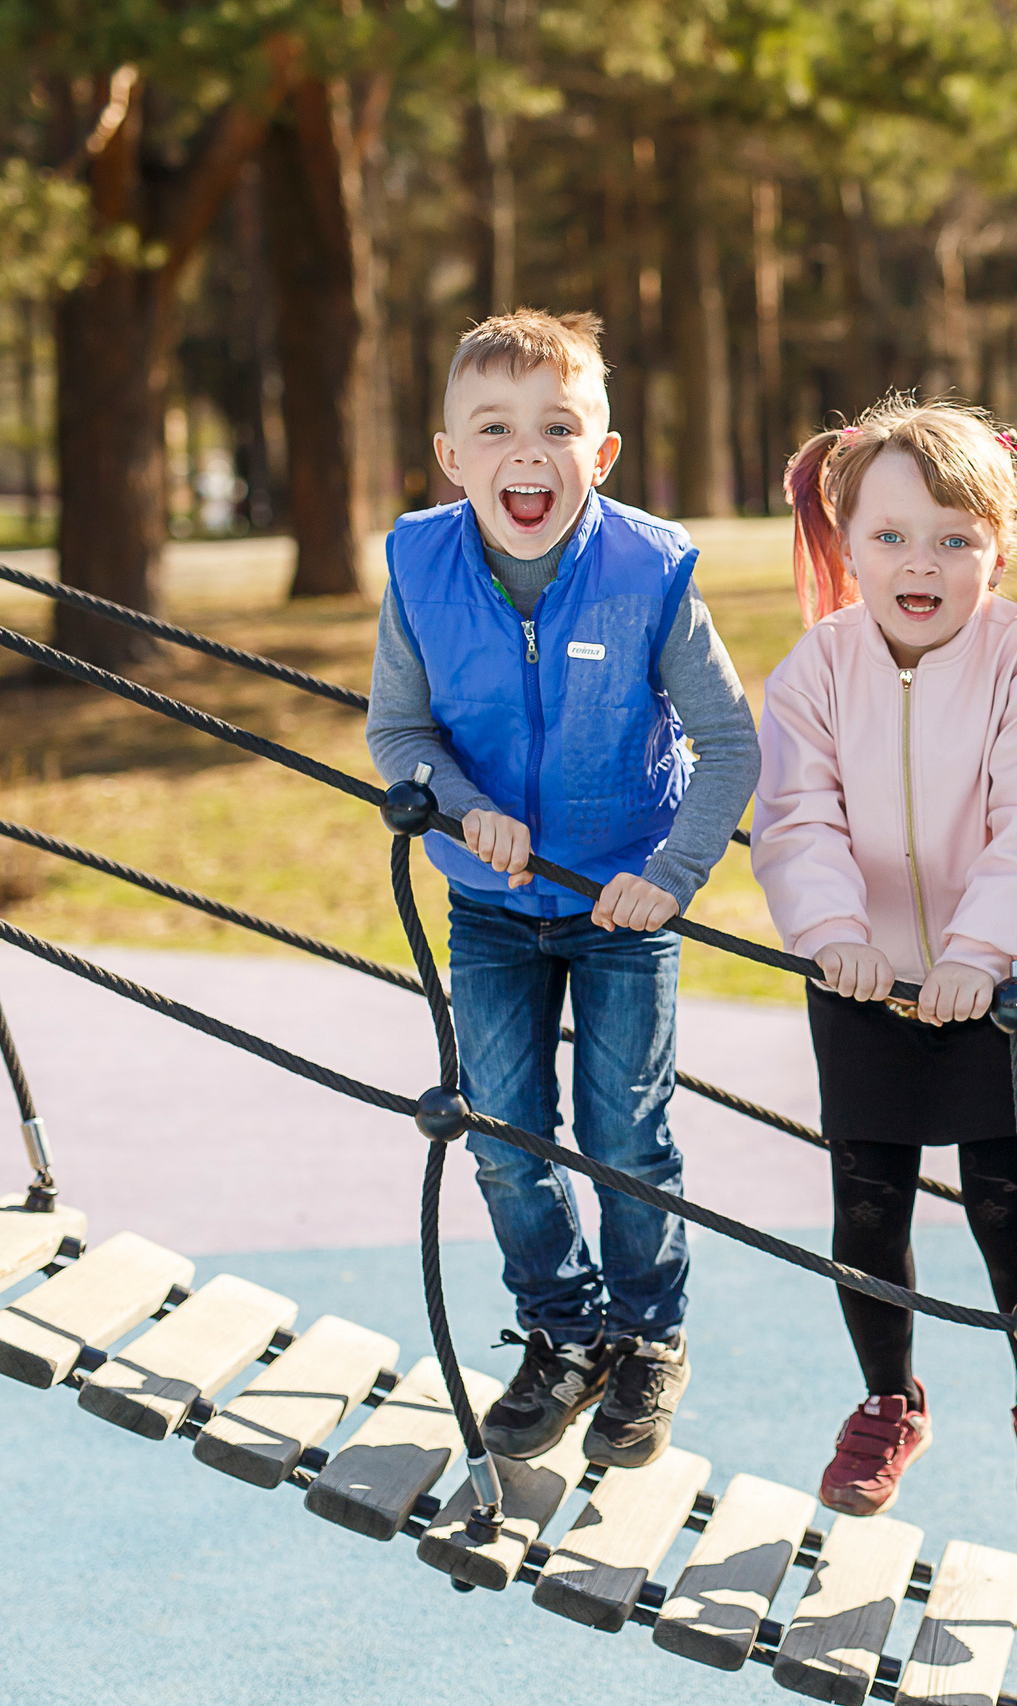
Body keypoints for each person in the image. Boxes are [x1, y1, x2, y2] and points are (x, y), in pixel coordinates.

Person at [367, 309, 759, 1469]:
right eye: (492, 428)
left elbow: (729, 745)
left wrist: (666, 876)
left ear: (603, 451)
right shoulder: (421, 565)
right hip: (488, 900)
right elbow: (399, 727)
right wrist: (448, 799)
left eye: (557, 426)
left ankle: (649, 1335)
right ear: (451, 456)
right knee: (498, 1132)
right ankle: (564, 1327)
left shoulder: (652, 570)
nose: (523, 451)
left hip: (618, 903)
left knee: (625, 1135)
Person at [750, 396, 1017, 1526]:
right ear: (846, 543)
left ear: (999, 548)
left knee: (1007, 1207)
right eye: (890, 537)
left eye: (953, 539)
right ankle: (886, 1398)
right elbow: (797, 818)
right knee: (864, 1208)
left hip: (1002, 981)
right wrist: (832, 935)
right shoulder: (816, 668)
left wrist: (980, 949)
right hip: (864, 975)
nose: (920, 562)